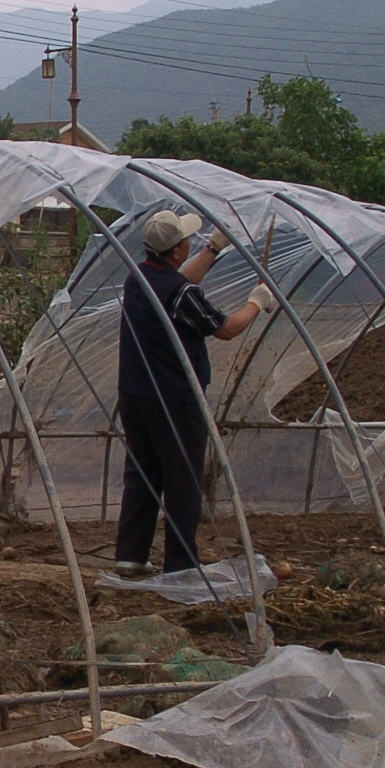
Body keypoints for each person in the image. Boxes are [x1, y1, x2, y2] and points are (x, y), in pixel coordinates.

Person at [113, 209, 270, 576]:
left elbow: (177, 282)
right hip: (174, 399)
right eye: (187, 240)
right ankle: (181, 562)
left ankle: (131, 555)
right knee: (182, 479)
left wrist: (214, 250)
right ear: (177, 251)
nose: (189, 243)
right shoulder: (182, 294)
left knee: (142, 473)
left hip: (135, 395)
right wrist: (256, 303)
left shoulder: (139, 278)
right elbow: (227, 329)